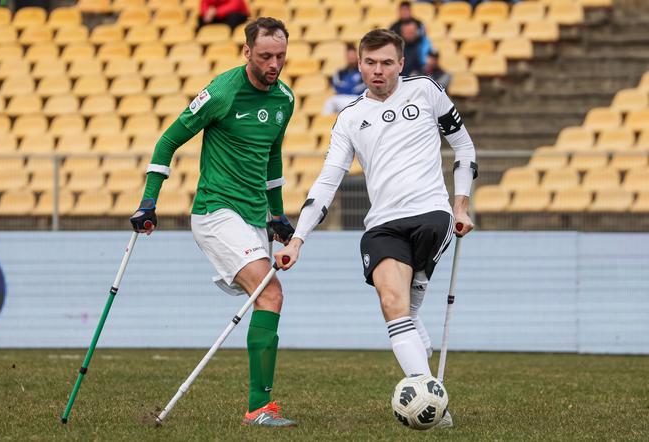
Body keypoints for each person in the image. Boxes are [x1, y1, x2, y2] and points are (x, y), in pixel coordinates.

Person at [275, 29, 478, 429]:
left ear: (401, 64)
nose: (378, 71)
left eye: (387, 63)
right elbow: (327, 182)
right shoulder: (350, 118)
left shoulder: (426, 91)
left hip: (431, 217)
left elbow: (465, 147)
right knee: (395, 307)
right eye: (370, 63)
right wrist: (297, 240)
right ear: (359, 64)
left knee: (407, 311)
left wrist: (461, 203)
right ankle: (432, 404)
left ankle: (428, 400)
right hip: (382, 225)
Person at [130, 17, 297, 427]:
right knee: (271, 293)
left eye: (280, 55)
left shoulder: (285, 99)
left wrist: (276, 213)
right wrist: (148, 202)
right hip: (216, 212)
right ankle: (259, 408)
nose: (274, 64)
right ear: (246, 53)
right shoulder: (222, 91)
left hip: (254, 214)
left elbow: (272, 159)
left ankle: (261, 407)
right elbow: (168, 140)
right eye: (265, 56)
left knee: (265, 298)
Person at [321, 43, 367, 115]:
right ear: (346, 57)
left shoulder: (363, 72)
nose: (351, 58)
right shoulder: (340, 72)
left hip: (357, 98)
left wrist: (347, 87)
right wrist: (350, 87)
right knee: (330, 102)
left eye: (352, 55)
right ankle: (324, 125)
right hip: (342, 98)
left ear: (357, 56)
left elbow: (363, 88)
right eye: (349, 56)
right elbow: (337, 87)